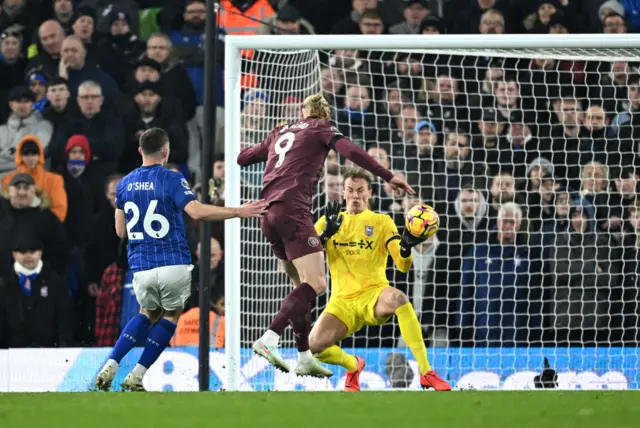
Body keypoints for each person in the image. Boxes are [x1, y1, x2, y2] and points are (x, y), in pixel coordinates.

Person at [237, 94, 414, 376]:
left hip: (266, 214)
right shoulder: (322, 128)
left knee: (301, 288)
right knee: (317, 284)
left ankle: (304, 355)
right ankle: (269, 338)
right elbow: (352, 152)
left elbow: (242, 158)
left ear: (302, 112)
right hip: (293, 211)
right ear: (325, 116)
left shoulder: (280, 130)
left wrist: (271, 143)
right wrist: (388, 175)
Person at [94, 127, 267, 391]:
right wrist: (238, 211)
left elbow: (120, 231)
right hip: (172, 260)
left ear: (140, 151)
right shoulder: (172, 179)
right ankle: (137, 375)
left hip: (140, 264)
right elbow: (196, 212)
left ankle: (111, 363)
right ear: (166, 151)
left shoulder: (124, 183)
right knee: (171, 315)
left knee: (146, 312)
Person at [306, 168, 450, 391]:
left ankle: (426, 372)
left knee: (399, 298)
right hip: (341, 302)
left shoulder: (383, 222)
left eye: (360, 190)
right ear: (343, 193)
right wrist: (324, 236)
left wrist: (406, 247)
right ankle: (353, 365)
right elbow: (306, 253)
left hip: (373, 294)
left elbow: (403, 266)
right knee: (314, 345)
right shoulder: (329, 220)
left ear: (370, 193)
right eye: (350, 190)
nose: (355, 195)